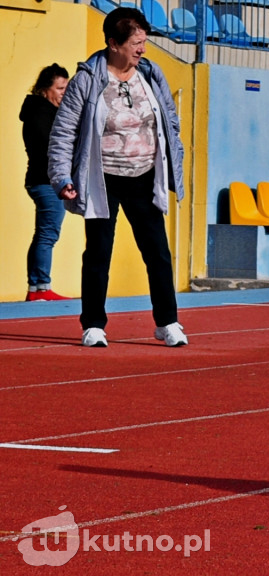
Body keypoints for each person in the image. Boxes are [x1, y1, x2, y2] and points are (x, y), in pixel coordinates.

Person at [48, 7, 187, 348]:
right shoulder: (87, 79)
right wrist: (61, 176)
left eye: (144, 42)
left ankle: (167, 321)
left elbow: (170, 123)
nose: (142, 49)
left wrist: (175, 167)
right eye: (136, 43)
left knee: (157, 253)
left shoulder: (152, 75)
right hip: (101, 179)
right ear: (113, 43)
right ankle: (93, 324)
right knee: (98, 254)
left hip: (144, 176)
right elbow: (63, 131)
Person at [21, 63, 71, 302]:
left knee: (43, 233)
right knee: (47, 234)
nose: (64, 93)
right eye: (60, 88)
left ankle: (37, 287)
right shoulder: (42, 113)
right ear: (45, 90)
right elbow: (48, 148)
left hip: (42, 180)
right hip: (46, 181)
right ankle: (41, 287)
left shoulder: (41, 111)